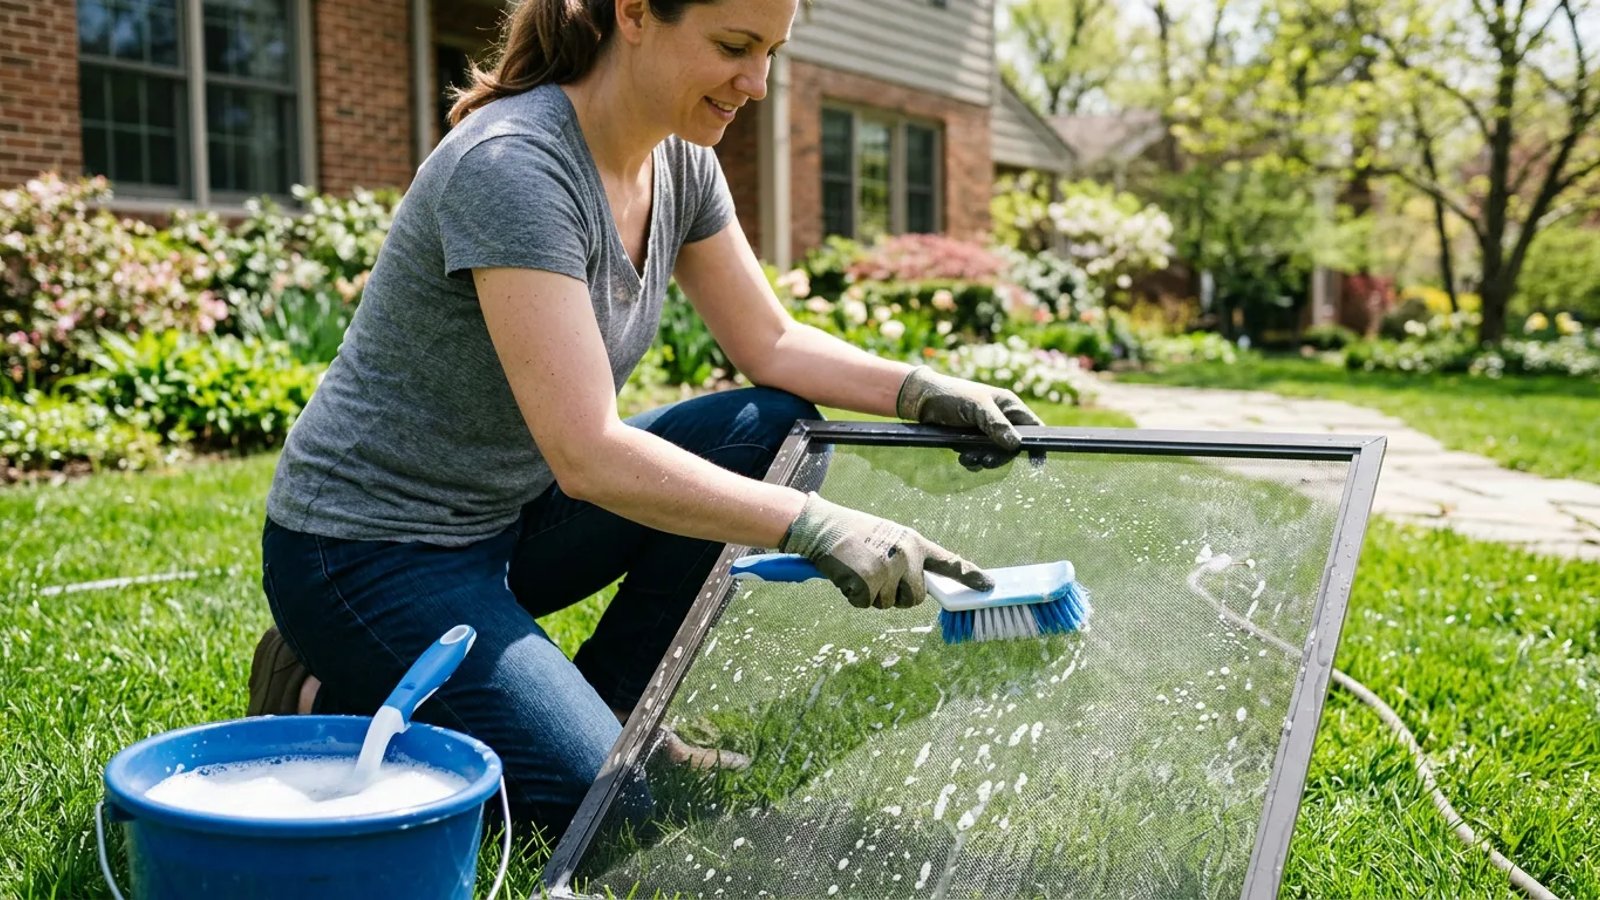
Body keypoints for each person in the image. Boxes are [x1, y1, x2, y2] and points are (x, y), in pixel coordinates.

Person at [248, 0, 1044, 840]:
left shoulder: (680, 163)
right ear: (632, 13)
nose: (759, 82)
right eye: (734, 47)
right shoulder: (515, 165)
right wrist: (813, 524)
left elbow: (768, 342)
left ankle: (623, 715)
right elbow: (589, 453)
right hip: (370, 551)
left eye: (772, 51)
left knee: (768, 426)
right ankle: (324, 685)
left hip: (512, 517)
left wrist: (922, 388)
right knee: (609, 818)